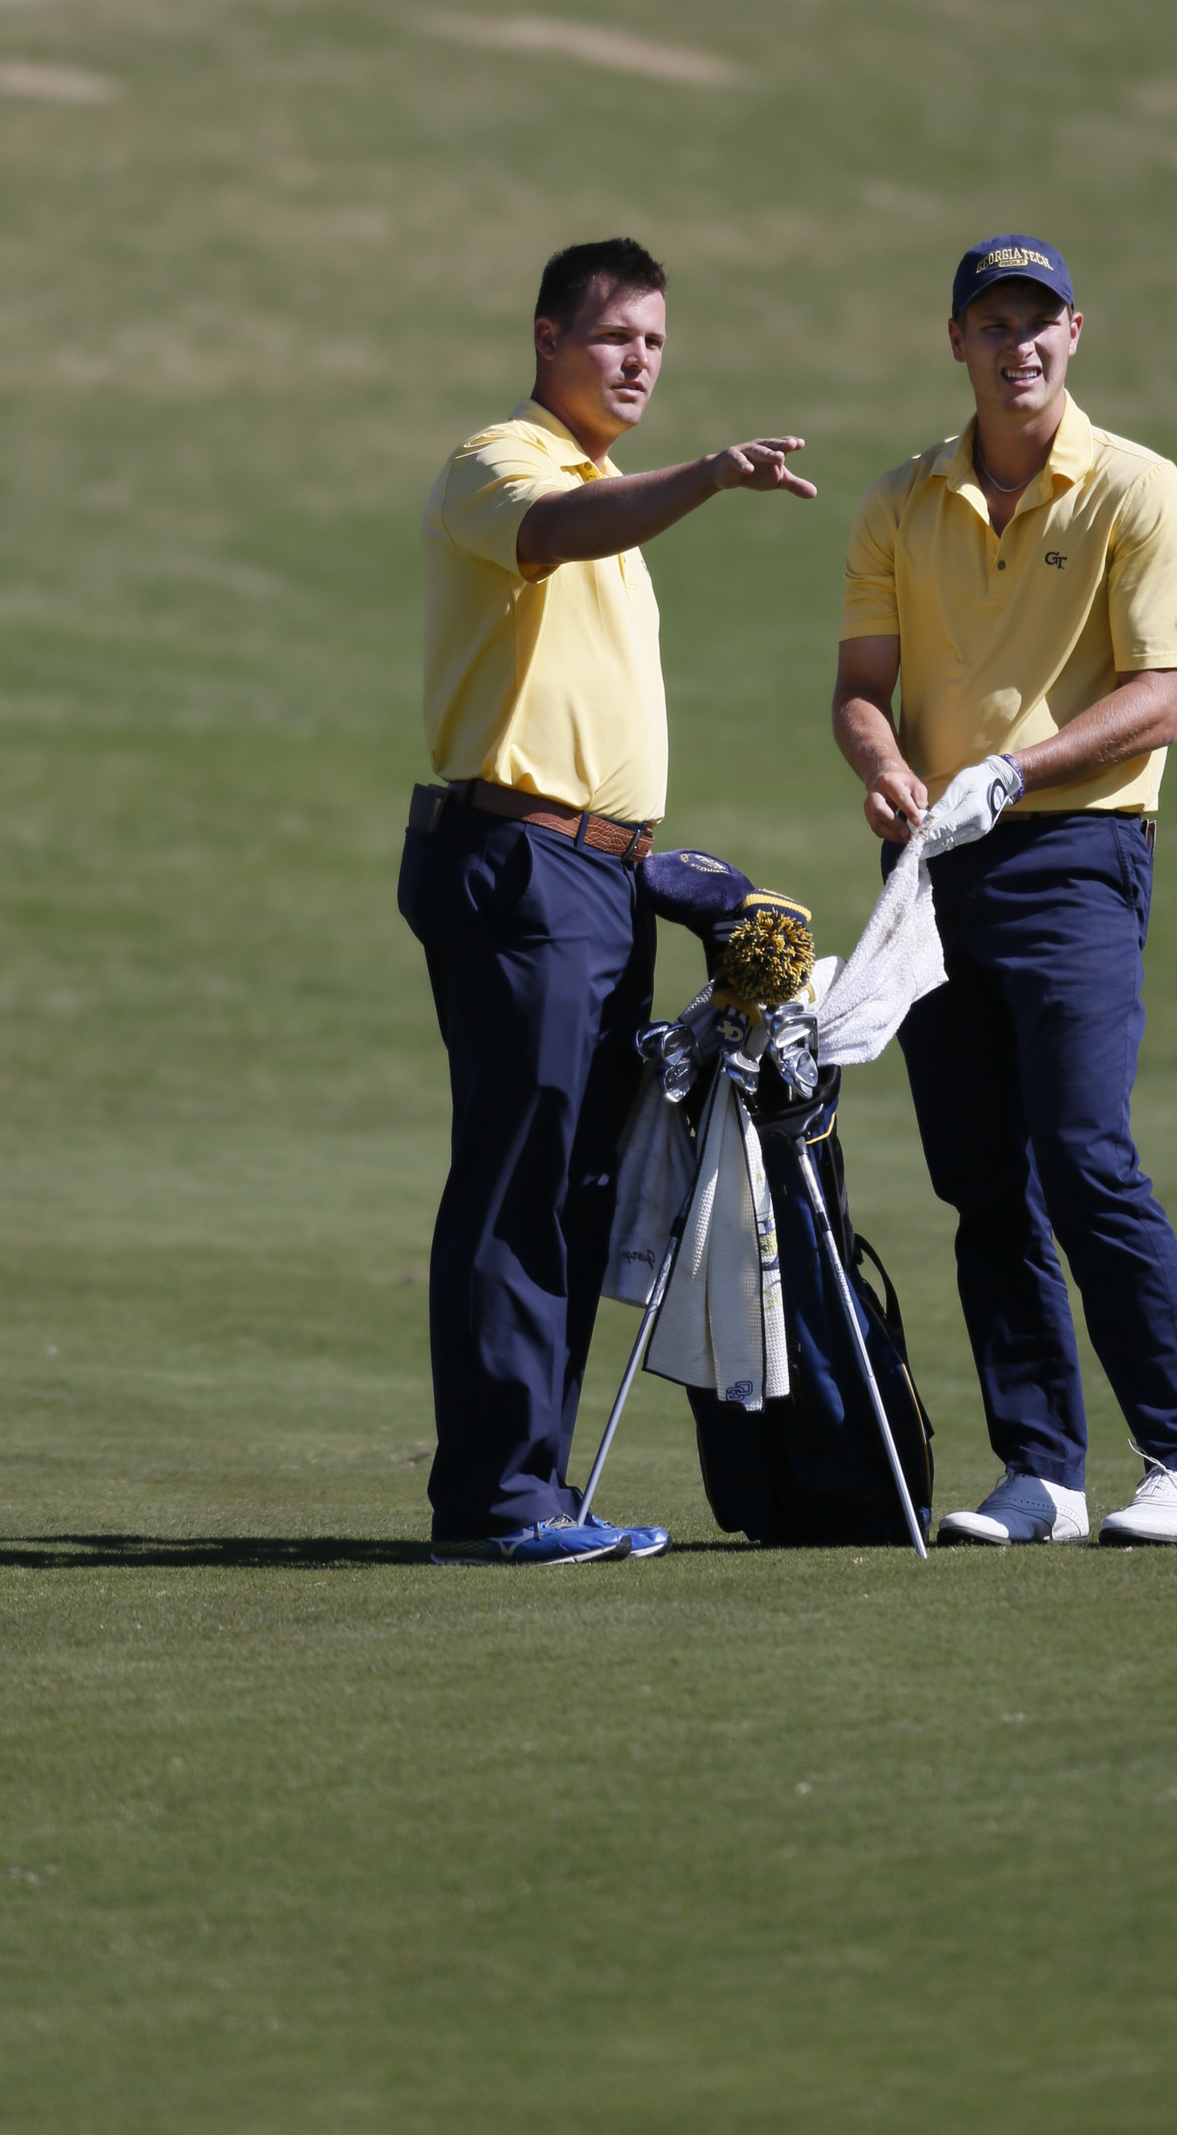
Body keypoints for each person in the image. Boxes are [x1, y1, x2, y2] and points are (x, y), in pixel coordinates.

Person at [399, 237, 815, 1566]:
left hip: (602, 878)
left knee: (578, 1182)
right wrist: (704, 477)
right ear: (546, 342)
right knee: (521, 1177)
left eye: (655, 344)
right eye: (614, 338)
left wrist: (670, 877)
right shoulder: (502, 463)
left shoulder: (617, 497)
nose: (640, 362)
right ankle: (493, 1502)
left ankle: (533, 1486)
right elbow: (549, 536)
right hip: (519, 864)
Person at [831, 236, 1177, 1547]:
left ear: (1077, 335)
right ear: (955, 341)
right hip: (934, 864)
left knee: (1083, 1152)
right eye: (993, 322)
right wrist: (889, 767)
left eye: (1040, 323)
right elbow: (861, 690)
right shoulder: (901, 499)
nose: (1020, 346)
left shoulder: (1136, 489)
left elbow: (1158, 696)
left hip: (1076, 855)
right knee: (979, 1178)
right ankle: (1043, 1471)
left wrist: (1016, 769)